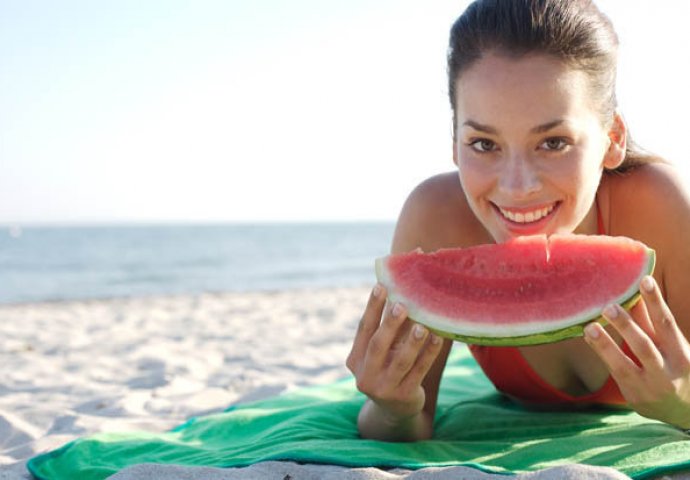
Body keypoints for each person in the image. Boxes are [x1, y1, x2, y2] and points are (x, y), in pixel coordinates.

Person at [346, 0, 690, 442]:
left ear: (612, 140)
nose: (516, 186)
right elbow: (408, 424)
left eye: (554, 142)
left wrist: (681, 404)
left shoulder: (662, 208)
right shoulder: (434, 219)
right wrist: (392, 409)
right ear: (454, 143)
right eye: (484, 143)